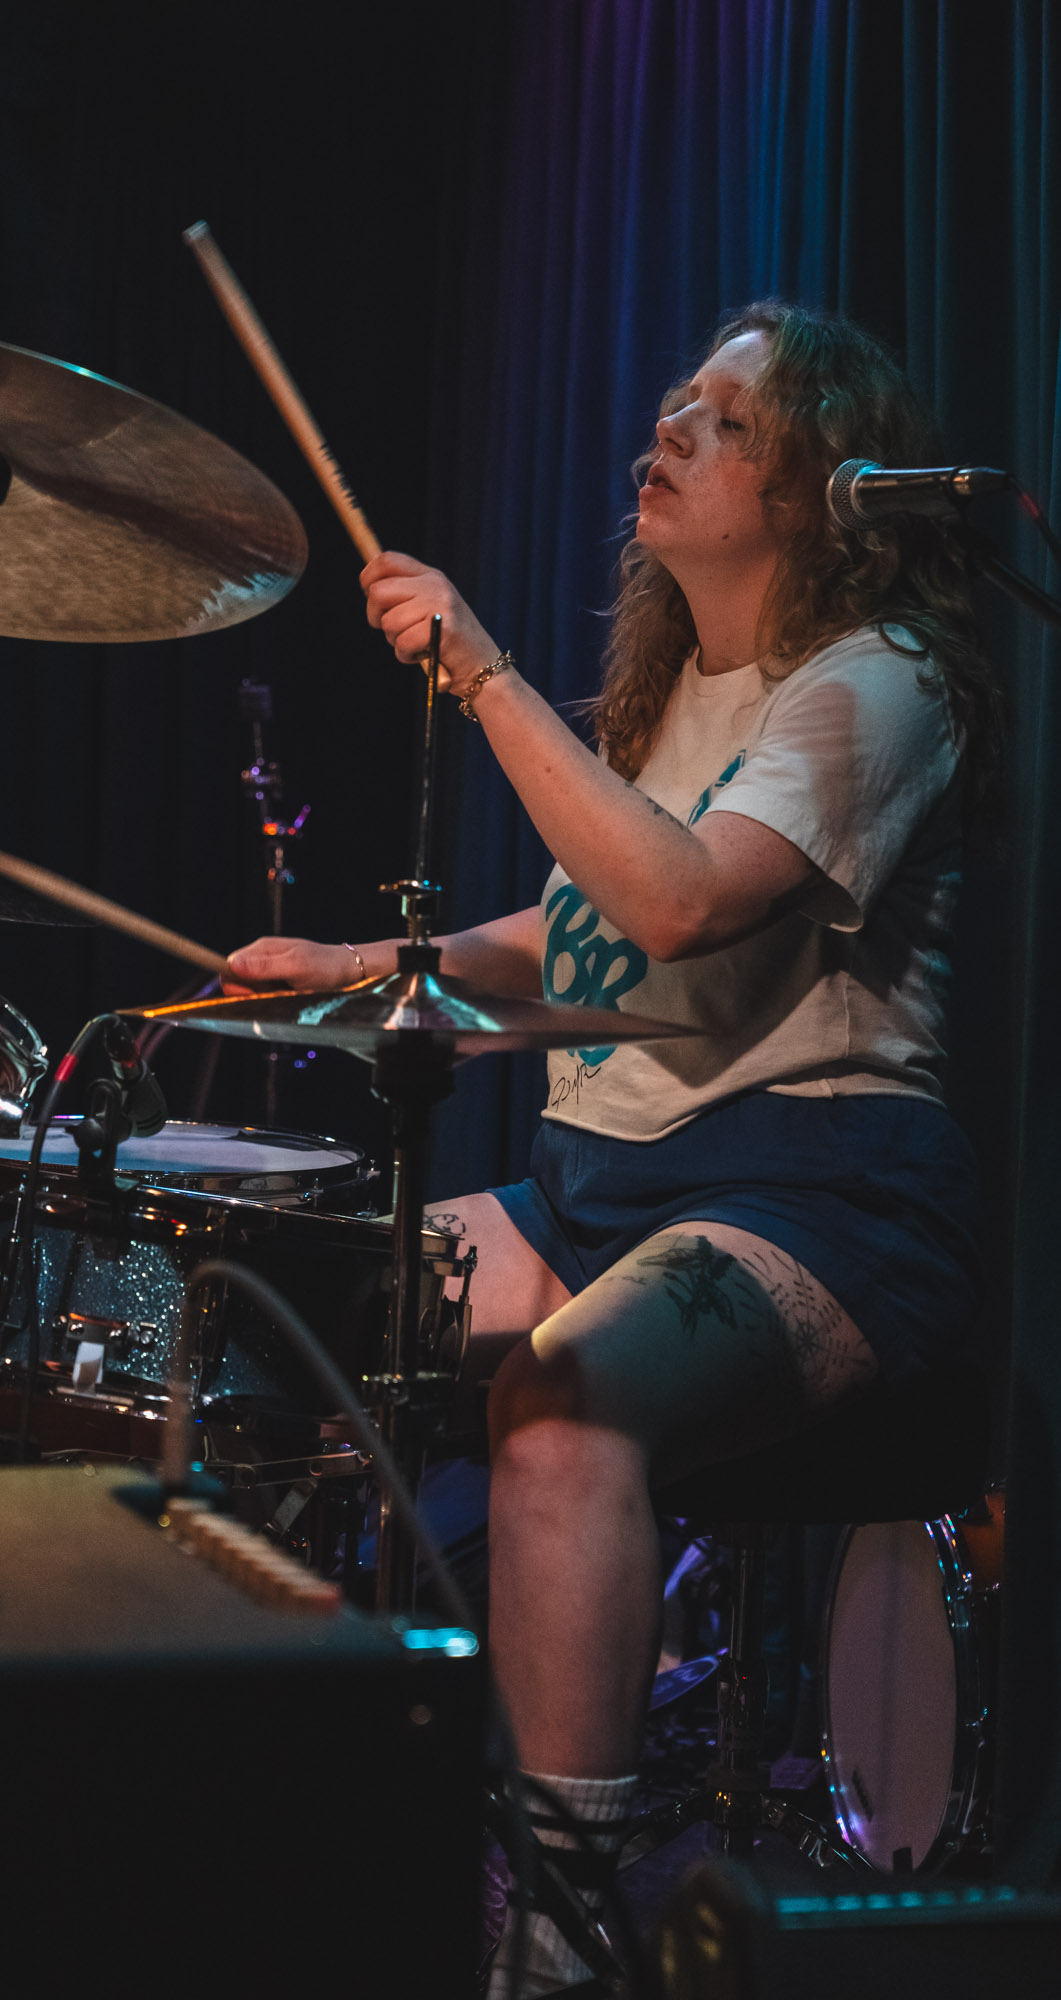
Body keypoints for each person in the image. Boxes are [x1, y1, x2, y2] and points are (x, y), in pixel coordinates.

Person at [227, 302, 998, 1994]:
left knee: (561, 1410)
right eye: (672, 404)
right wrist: (367, 966)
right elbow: (581, 927)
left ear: (818, 483)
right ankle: (288, 1805)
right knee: (277, 1312)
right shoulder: (675, 693)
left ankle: (555, 1937)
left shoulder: (881, 681)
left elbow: (677, 900)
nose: (670, 430)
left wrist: (483, 675)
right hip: (611, 1184)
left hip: (823, 1192)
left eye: (724, 421)